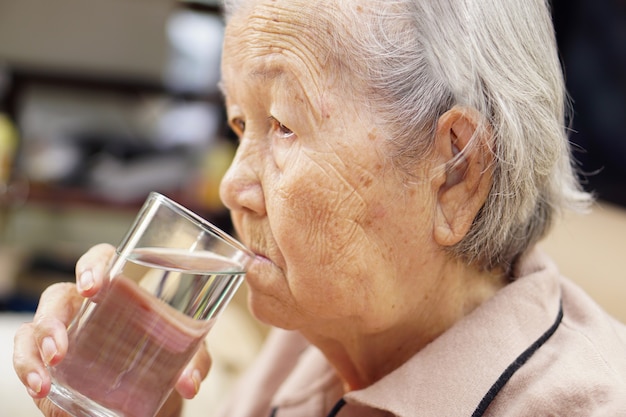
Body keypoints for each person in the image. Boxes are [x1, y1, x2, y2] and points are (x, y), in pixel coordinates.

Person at [13, 0, 626, 416]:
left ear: (456, 174)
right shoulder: (311, 345)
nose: (231, 187)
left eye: (281, 124)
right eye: (237, 125)